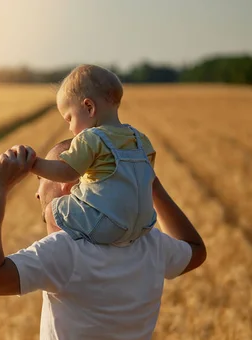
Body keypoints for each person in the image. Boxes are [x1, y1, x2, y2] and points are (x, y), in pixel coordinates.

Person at [0, 141, 206, 340]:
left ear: (66, 186)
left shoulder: (66, 251)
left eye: (40, 179)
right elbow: (195, 249)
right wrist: (149, 182)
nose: (37, 193)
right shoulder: (149, 243)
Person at [30, 64, 157, 245]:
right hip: (144, 225)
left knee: (53, 210)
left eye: (69, 118)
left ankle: (58, 252)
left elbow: (67, 173)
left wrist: (32, 164)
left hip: (108, 225)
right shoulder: (140, 139)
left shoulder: (91, 138)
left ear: (89, 107)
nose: (70, 128)